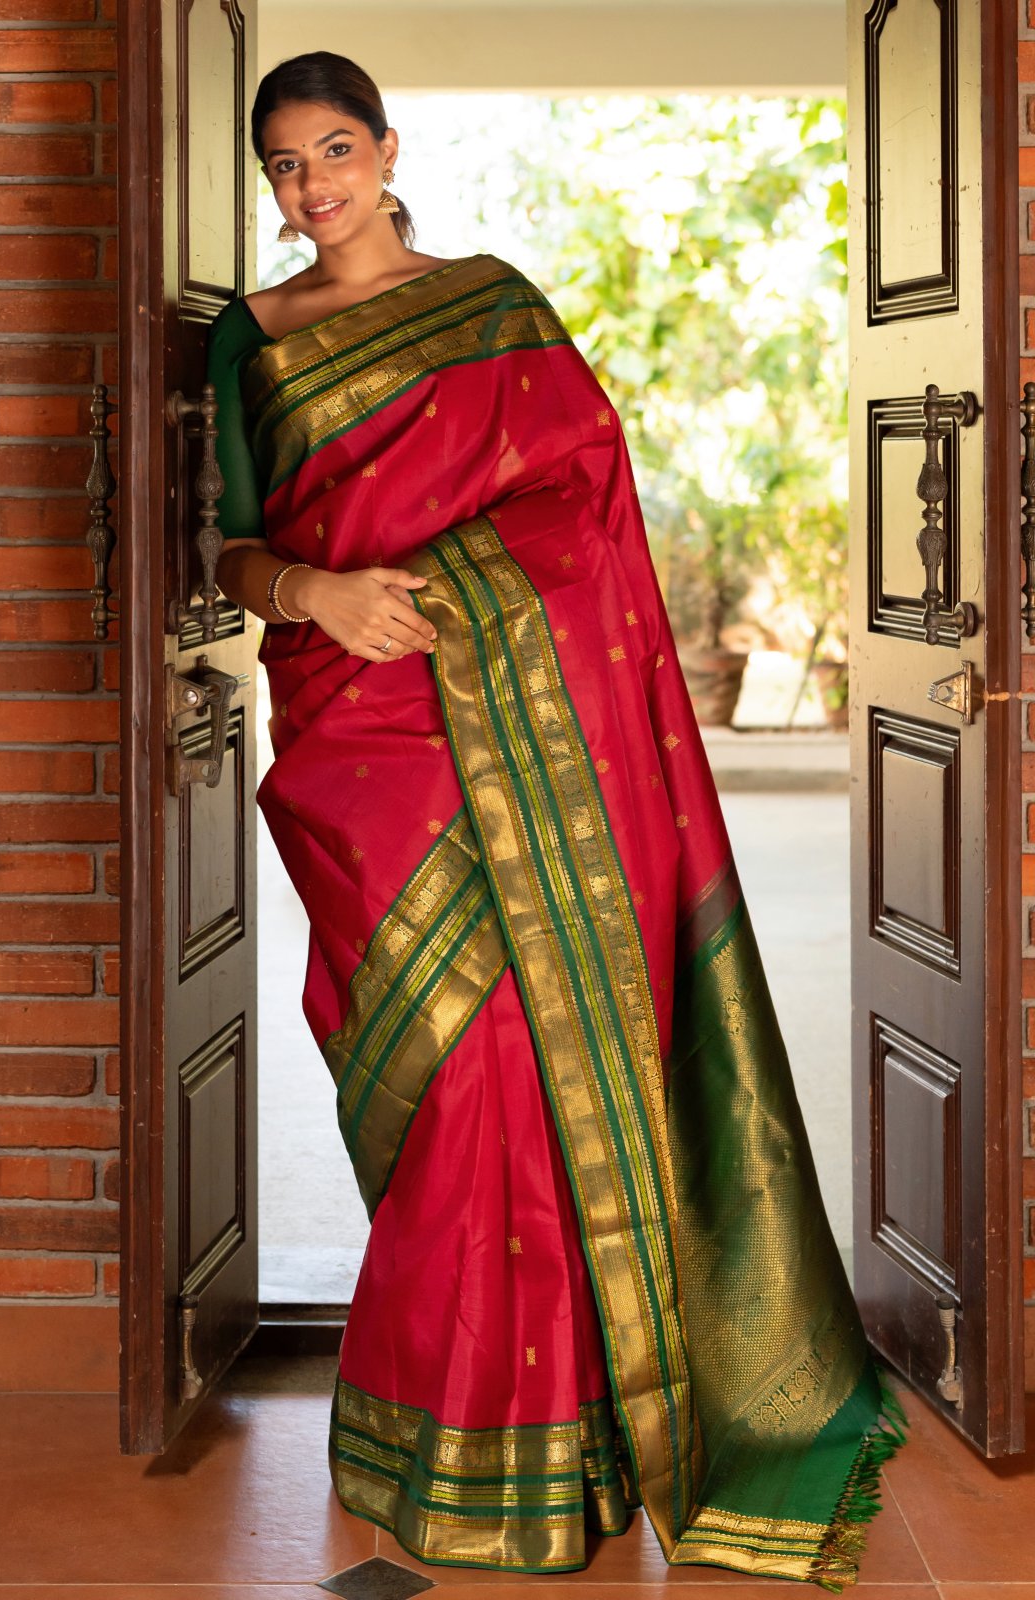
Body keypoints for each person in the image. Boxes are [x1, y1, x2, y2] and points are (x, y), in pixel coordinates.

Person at [209, 50, 905, 1588]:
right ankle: (422, 1432)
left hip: (501, 730)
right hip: (359, 748)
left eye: (334, 152)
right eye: (283, 166)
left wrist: (446, 593)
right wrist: (312, 590)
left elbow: (586, 500)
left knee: (526, 1065)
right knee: (438, 1066)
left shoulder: (496, 306)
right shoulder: (245, 344)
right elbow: (225, 544)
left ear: (388, 151)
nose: (312, 187)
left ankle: (565, 1434)